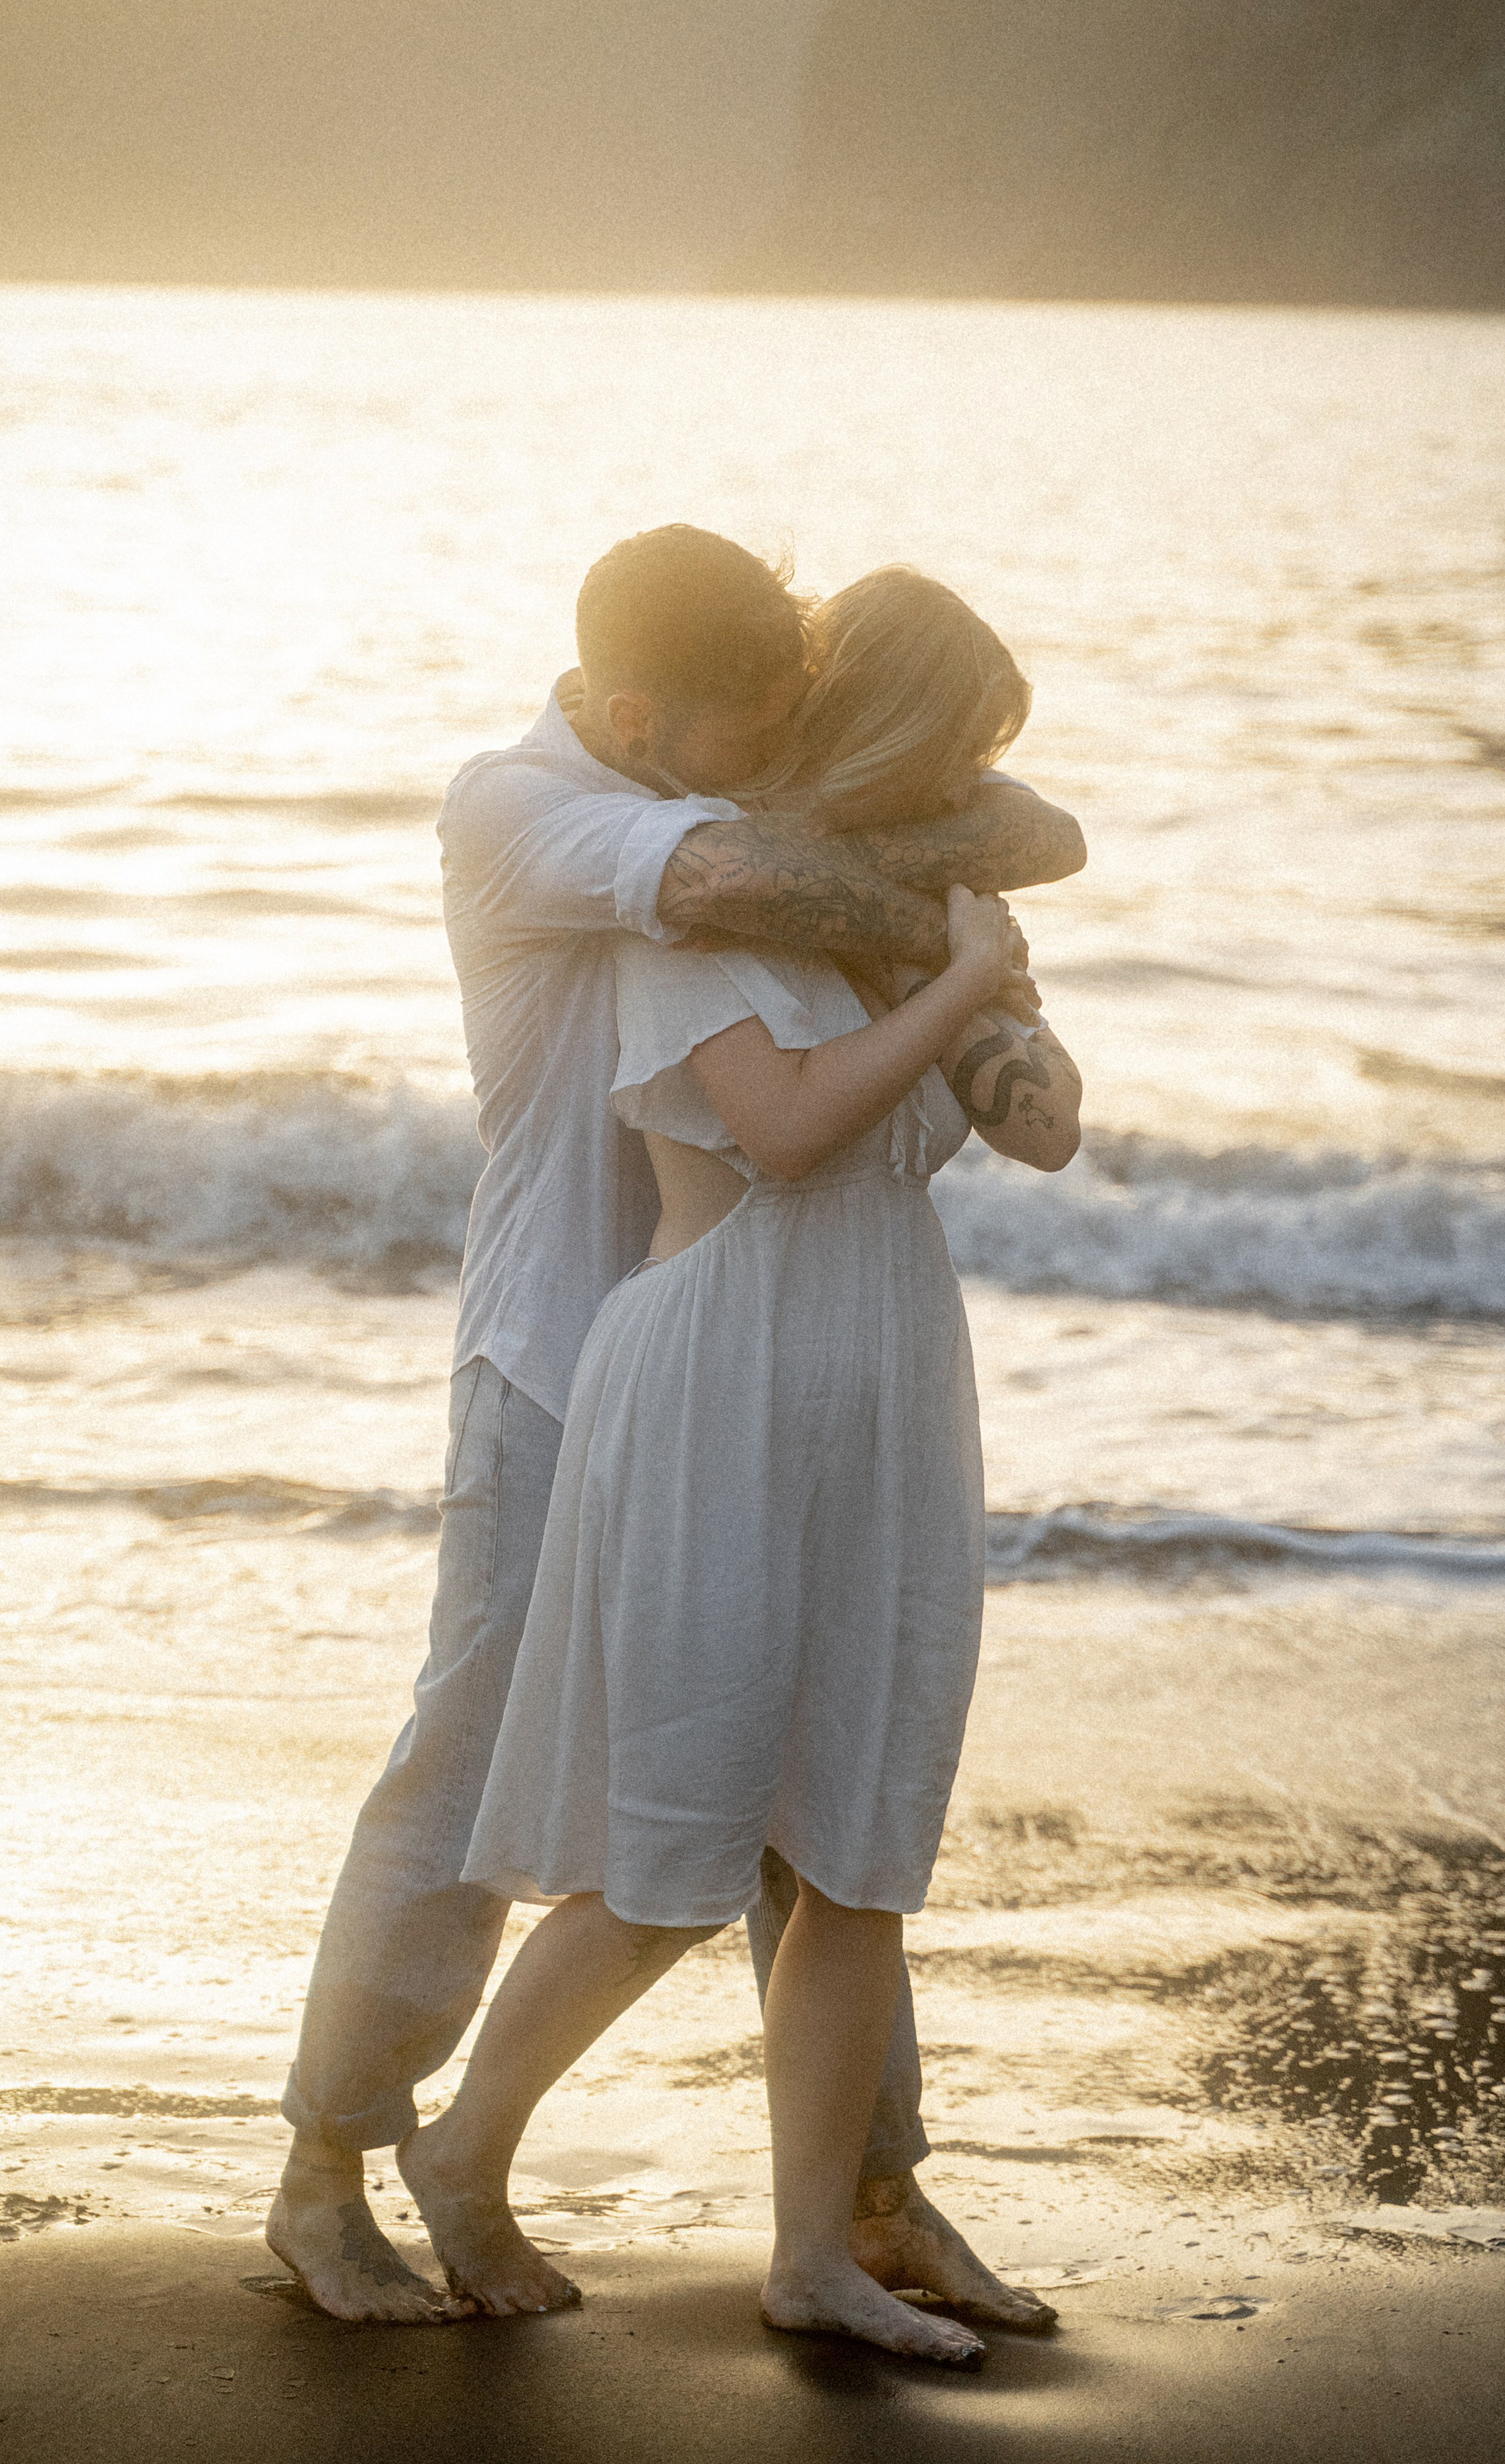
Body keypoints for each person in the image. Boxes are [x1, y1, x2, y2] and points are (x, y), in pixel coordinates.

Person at [268, 529, 1084, 2326]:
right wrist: (961, 943)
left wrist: (946, 856)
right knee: (469, 1769)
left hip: (753, 1356)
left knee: (816, 1804)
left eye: (806, 707)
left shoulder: (732, 792)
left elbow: (1029, 822)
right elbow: (737, 877)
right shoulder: (528, 809)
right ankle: (332, 2163)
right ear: (642, 719)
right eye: (754, 718)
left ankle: (868, 2199)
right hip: (558, 1362)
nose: (778, 743)